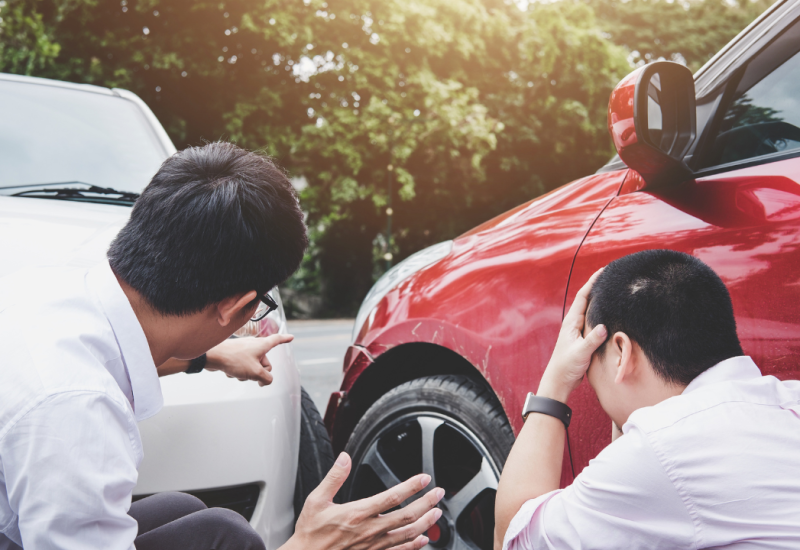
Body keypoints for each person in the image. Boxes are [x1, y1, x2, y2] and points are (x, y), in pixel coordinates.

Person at [0, 142, 443, 550]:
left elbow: (110, 358)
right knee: (227, 538)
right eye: (261, 304)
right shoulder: (77, 411)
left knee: (191, 516)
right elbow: (79, 392)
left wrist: (210, 357)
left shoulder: (49, 290)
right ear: (235, 306)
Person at [494, 249, 800, 549]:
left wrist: (555, 383)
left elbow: (514, 538)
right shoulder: (790, 399)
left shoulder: (662, 449)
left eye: (590, 368)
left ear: (620, 353)